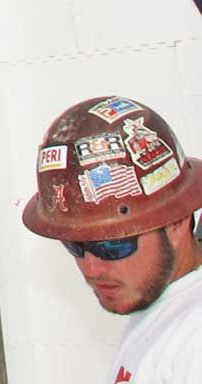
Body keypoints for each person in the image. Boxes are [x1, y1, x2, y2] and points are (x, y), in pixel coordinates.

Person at [22, 96, 202, 380]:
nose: (91, 269)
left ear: (177, 221)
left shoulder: (195, 340)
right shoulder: (163, 309)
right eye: (75, 246)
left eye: (112, 246)